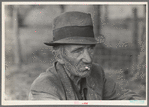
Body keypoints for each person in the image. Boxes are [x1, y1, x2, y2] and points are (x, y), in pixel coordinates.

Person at [29, 11, 141, 100]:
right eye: (78, 51)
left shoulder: (96, 73)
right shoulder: (44, 86)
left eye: (90, 49)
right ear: (59, 57)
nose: (88, 59)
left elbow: (130, 98)